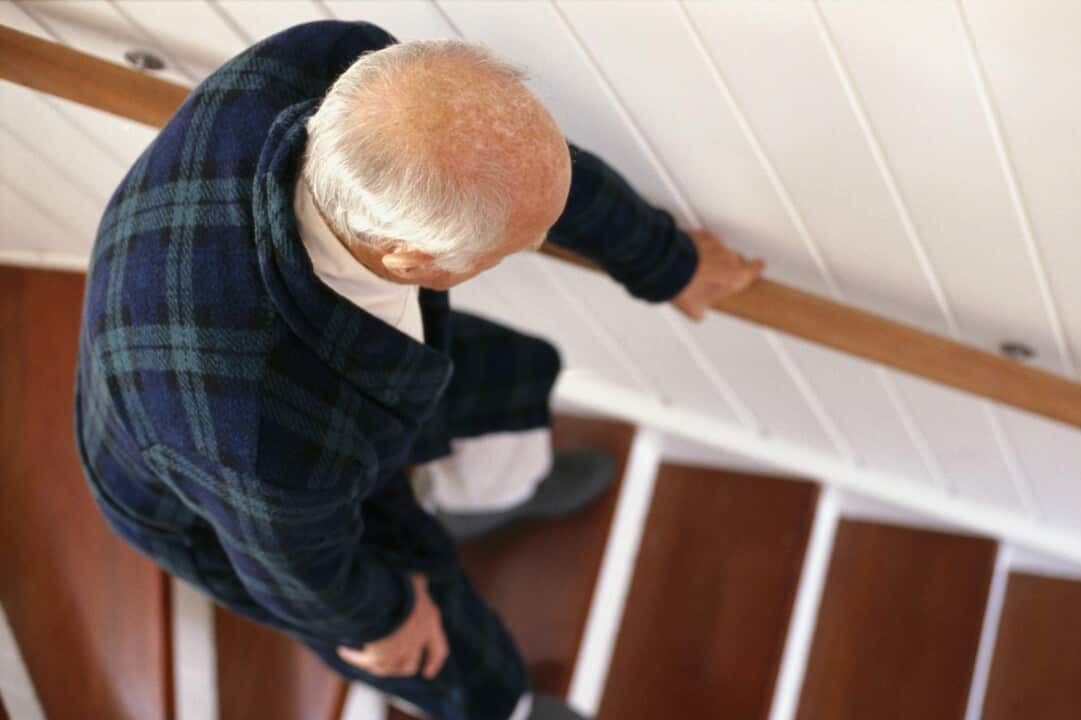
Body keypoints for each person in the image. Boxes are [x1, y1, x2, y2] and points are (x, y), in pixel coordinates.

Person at [74, 20, 762, 720]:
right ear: (410, 261)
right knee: (432, 642)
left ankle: (492, 494)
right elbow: (295, 566)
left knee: (519, 370)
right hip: (219, 483)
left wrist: (664, 261)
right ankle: (502, 706)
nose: (535, 245)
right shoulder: (257, 430)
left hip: (292, 363)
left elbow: (529, 172)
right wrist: (382, 618)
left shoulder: (341, 70)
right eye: (514, 248)